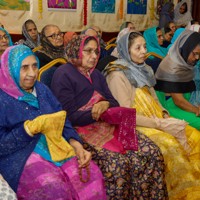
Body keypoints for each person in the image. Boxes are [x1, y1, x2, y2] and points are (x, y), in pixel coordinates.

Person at [51, 34, 168, 199]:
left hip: (109, 124)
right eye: (88, 51)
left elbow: (113, 102)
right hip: (82, 130)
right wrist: (94, 112)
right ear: (76, 51)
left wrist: (105, 105)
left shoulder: (96, 74)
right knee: (118, 164)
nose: (94, 56)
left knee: (152, 153)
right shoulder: (63, 74)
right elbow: (66, 116)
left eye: (96, 51)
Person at [0, 44, 107, 200]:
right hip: (21, 155)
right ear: (10, 70)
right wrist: (27, 130)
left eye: (34, 66)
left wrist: (76, 145)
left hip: (55, 145)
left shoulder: (42, 89)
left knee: (91, 174)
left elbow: (62, 120)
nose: (32, 73)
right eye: (24, 68)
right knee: (53, 187)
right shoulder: (2, 98)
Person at [104, 31, 200, 199]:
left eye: (145, 46)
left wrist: (164, 115)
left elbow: (155, 100)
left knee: (193, 135)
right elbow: (125, 115)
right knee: (170, 144)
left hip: (156, 119)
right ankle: (179, 193)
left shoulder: (144, 69)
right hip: (139, 125)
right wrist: (158, 124)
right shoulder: (117, 74)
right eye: (138, 48)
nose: (143, 51)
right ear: (126, 51)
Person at [155, 30, 200, 130]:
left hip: (185, 100)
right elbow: (179, 101)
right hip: (172, 105)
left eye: (199, 55)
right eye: (195, 54)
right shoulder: (172, 67)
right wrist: (196, 109)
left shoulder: (184, 61)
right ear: (186, 48)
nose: (197, 58)